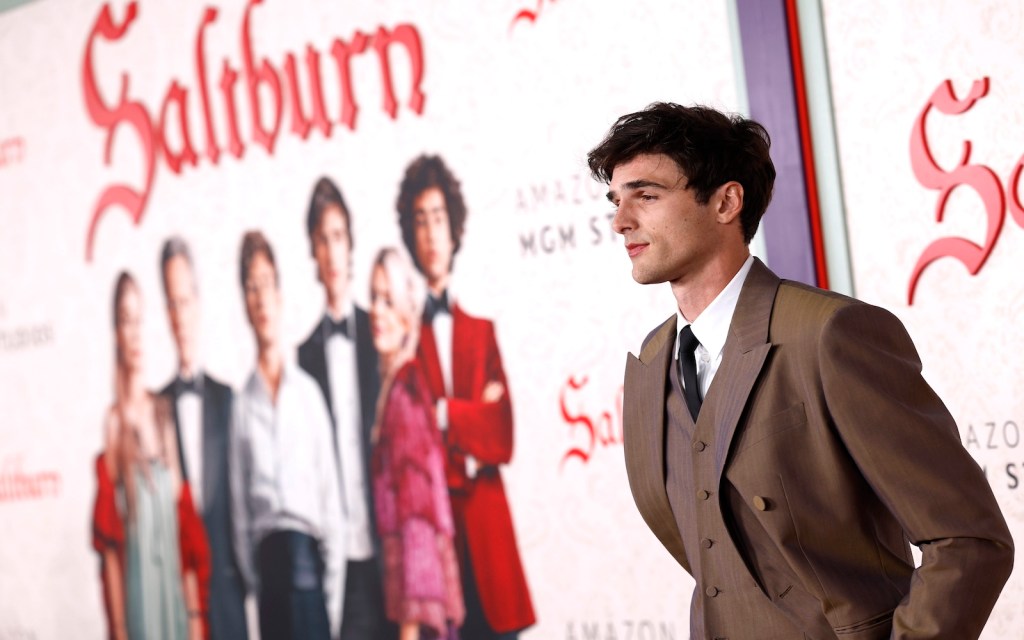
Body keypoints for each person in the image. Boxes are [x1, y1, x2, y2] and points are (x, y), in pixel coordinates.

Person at [587, 102, 1015, 639]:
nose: (620, 221)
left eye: (646, 196)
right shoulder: (652, 363)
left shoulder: (831, 335)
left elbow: (968, 538)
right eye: (616, 200)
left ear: (726, 202)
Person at [396, 155, 535, 639]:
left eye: (438, 218)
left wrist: (442, 414)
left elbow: (502, 436)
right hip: (440, 550)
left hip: (490, 543)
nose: (432, 233)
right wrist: (469, 424)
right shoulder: (404, 346)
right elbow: (415, 449)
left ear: (454, 228)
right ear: (410, 236)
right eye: (420, 221)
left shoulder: (481, 332)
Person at [229, 231, 345, 639]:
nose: (261, 298)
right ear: (245, 302)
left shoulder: (309, 396)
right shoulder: (242, 408)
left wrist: (330, 605)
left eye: (266, 284)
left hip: (310, 576)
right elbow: (241, 520)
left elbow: (331, 506)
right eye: (251, 287)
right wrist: (261, 588)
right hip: (270, 583)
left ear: (279, 293)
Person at [296, 178, 391, 640]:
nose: (332, 252)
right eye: (322, 239)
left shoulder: (383, 336)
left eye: (338, 237)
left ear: (350, 244)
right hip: (341, 564)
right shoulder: (302, 359)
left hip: (391, 551)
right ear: (312, 251)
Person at [92, 271, 208, 640]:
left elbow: (186, 532)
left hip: (174, 602)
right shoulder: (113, 425)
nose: (136, 332)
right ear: (116, 333)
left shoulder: (163, 415)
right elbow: (111, 549)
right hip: (139, 605)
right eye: (127, 321)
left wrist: (194, 618)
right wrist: (121, 631)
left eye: (140, 320)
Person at [369, 247, 465, 640]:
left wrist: (409, 629)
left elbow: (418, 522)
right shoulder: (395, 387)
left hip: (420, 620)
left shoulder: (406, 393)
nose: (376, 310)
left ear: (407, 316)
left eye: (388, 301)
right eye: (373, 297)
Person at [158, 236, 248, 640]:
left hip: (228, 596)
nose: (180, 315)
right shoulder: (155, 409)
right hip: (177, 603)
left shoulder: (227, 399)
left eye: (186, 300)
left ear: (199, 301)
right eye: (171, 303)